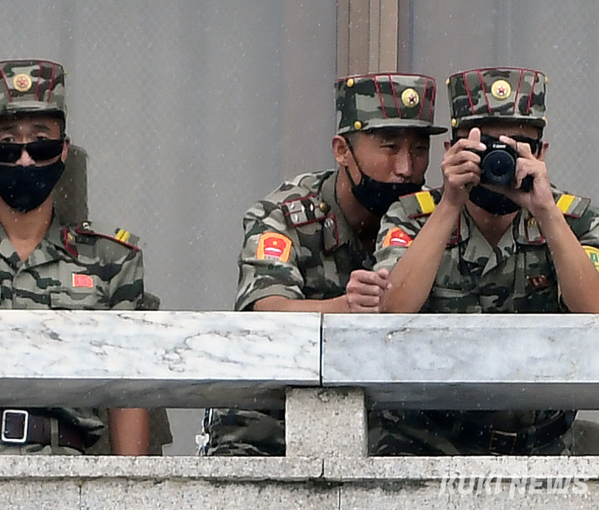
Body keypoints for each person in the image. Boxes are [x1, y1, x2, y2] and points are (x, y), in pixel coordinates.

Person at [0, 59, 170, 455]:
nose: (24, 160)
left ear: (63, 151)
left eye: (41, 144)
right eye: (6, 144)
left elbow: (128, 392)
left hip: (65, 469)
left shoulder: (111, 260)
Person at [200, 73, 447, 456]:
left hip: (396, 427)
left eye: (418, 150)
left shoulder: (435, 218)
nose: (405, 168)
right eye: (389, 148)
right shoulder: (285, 215)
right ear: (341, 150)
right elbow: (266, 311)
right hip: (272, 424)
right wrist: (344, 310)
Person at [373, 67, 599, 455]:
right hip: (427, 445)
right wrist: (450, 203)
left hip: (541, 447)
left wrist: (546, 212)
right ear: (451, 152)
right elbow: (392, 311)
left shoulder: (574, 221)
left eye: (516, 147)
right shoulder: (412, 218)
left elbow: (594, 311)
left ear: (541, 154)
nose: (499, 160)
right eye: (486, 147)